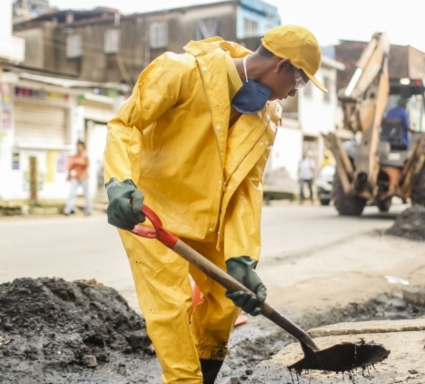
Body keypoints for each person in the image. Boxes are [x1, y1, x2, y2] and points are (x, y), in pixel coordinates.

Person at [103, 25, 326, 384]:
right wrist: (119, 182)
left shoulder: (267, 117)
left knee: (225, 302)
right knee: (172, 308)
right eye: (298, 83)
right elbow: (125, 125)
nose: (292, 94)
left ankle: (205, 376)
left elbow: (247, 187)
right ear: (281, 65)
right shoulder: (183, 71)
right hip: (151, 212)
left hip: (207, 220)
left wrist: (242, 257)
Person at [63, 140, 92, 216]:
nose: (78, 147)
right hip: (76, 177)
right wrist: (68, 175)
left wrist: (82, 175)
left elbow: (87, 166)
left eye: (80, 146)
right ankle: (67, 209)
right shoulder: (75, 156)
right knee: (72, 193)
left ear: (83, 147)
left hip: (84, 177)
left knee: (87, 194)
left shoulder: (85, 156)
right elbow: (71, 166)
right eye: (77, 146)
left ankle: (88, 210)